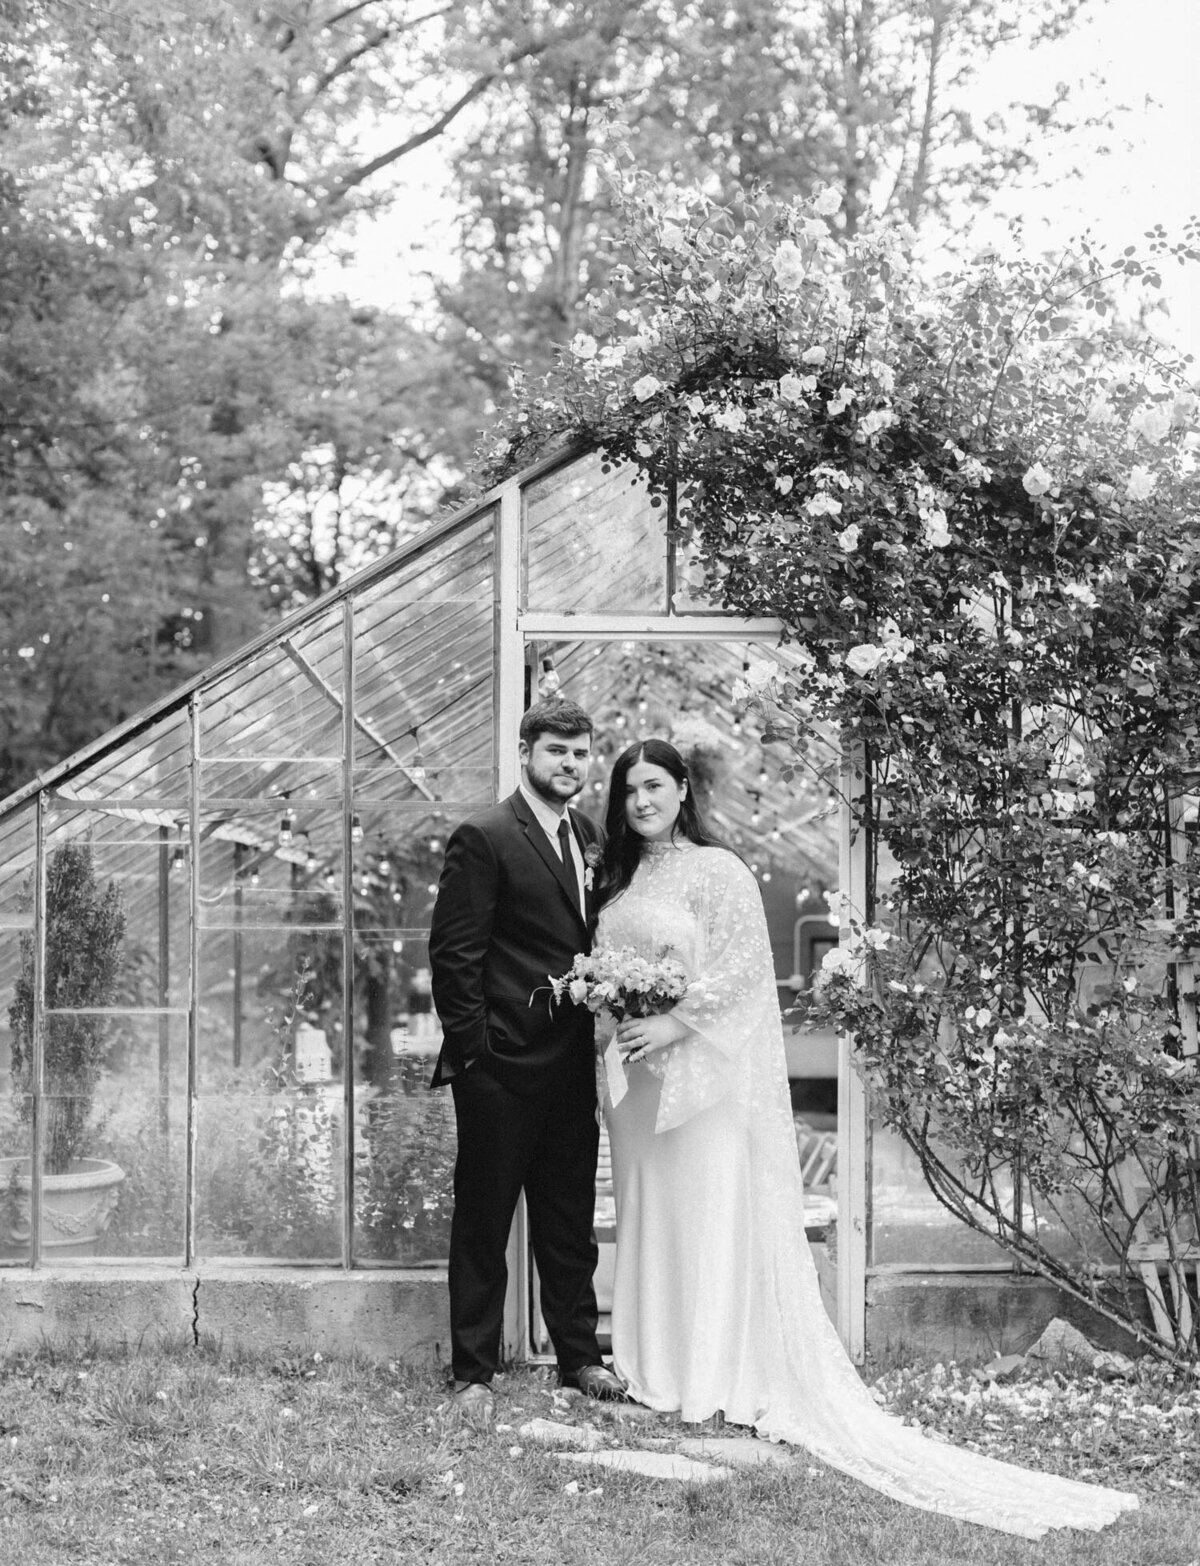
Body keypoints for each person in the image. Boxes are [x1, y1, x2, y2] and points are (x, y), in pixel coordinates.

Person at [592, 737, 1138, 1539]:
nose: (641, 800)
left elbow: (743, 977)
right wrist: (612, 1000)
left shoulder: (722, 871)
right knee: (651, 1213)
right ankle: (650, 1363)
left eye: (654, 785)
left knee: (704, 1212)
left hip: (699, 1079)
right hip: (634, 1086)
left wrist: (672, 1022)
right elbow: (608, 955)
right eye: (630, 788)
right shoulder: (618, 875)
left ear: (682, 790)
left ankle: (705, 1369)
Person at [428, 698, 627, 1425]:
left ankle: (579, 1358)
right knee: (484, 1220)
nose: (569, 764)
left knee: (568, 1218)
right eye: (555, 752)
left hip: (573, 1065)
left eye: (579, 753)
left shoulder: (591, 836)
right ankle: (473, 1371)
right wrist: (477, 1055)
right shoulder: (483, 836)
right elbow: (454, 956)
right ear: (526, 753)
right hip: (501, 1069)